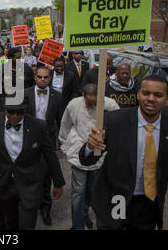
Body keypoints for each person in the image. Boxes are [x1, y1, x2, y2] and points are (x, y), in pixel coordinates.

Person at [80, 75, 168, 230]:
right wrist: (90, 147)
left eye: (158, 95)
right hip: (117, 199)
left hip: (148, 205)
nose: (151, 99)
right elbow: (87, 160)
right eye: (146, 93)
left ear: (167, 98)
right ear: (138, 94)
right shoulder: (114, 121)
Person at [0, 98, 65, 230]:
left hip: (29, 183)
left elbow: (50, 156)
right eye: (11, 112)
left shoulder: (39, 126)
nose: (15, 116)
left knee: (28, 224)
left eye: (20, 113)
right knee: (8, 223)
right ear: (5, 110)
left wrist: (58, 183)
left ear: (25, 111)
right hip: (2, 182)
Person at [59, 84, 119, 230]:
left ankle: (85, 212)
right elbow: (65, 124)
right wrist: (63, 144)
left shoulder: (111, 106)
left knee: (93, 190)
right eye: (89, 102)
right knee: (78, 193)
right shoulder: (74, 104)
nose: (92, 105)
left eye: (95, 103)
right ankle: (77, 225)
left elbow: (119, 127)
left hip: (100, 154)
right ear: (83, 96)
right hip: (79, 150)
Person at [24, 66, 64, 226]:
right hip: (29, 139)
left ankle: (45, 207)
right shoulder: (26, 93)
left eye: (45, 77)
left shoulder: (57, 96)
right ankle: (29, 203)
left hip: (48, 139)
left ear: (50, 78)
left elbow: (61, 120)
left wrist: (61, 143)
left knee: (47, 174)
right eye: (39, 77)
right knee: (29, 172)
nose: (42, 80)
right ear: (35, 77)